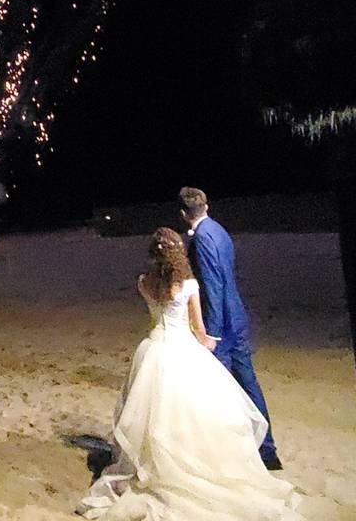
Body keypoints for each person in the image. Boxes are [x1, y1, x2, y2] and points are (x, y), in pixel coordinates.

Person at [77, 228, 301, 520]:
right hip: (181, 347)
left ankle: (156, 465)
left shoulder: (145, 283)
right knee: (197, 412)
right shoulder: (188, 285)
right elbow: (198, 328)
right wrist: (208, 342)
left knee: (154, 414)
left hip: (154, 348)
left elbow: (158, 313)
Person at [178, 186, 282, 470]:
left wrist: (210, 333)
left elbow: (213, 285)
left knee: (220, 391)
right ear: (206, 206)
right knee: (249, 385)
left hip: (222, 325)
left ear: (183, 214)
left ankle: (233, 452)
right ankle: (267, 449)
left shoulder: (202, 238)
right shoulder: (219, 231)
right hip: (236, 316)